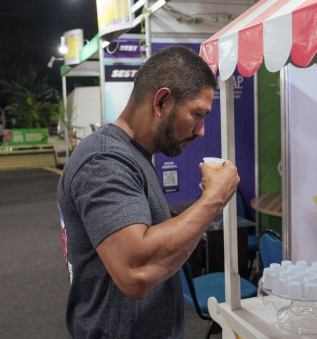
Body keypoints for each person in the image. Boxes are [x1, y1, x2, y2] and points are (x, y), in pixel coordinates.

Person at [57, 45, 240, 338]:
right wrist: (214, 199)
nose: (201, 130)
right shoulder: (104, 160)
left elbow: (157, 248)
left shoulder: (135, 155)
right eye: (197, 114)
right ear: (162, 102)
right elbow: (135, 271)